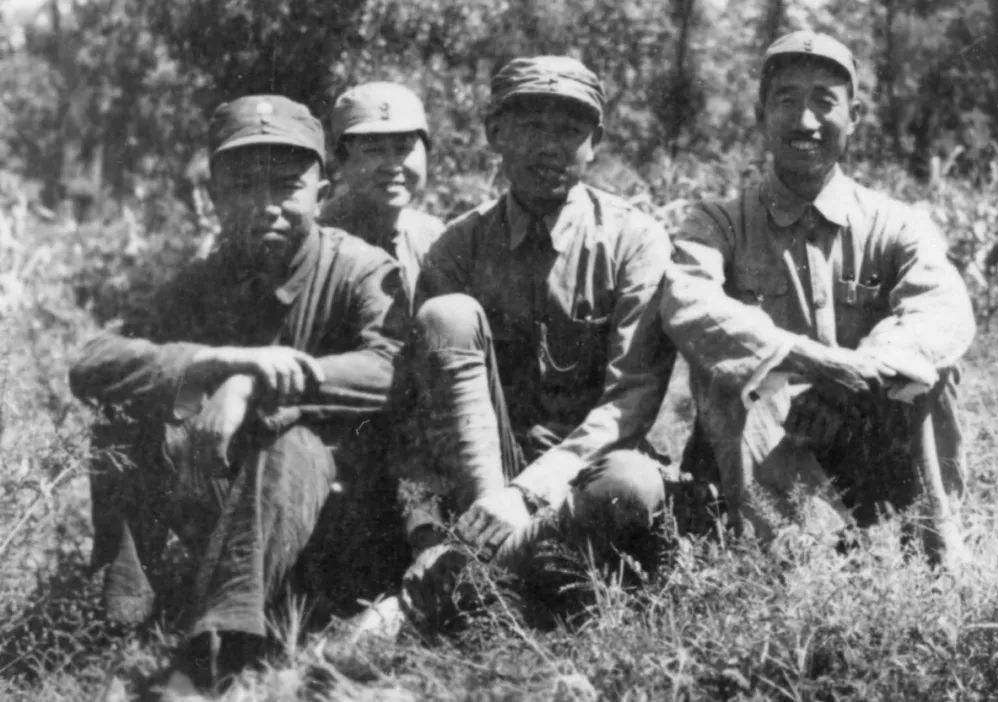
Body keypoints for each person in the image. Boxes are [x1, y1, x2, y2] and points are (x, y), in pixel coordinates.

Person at [69, 95, 410, 694]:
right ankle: (121, 614)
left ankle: (213, 656)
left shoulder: (359, 270)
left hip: (340, 529)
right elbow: (93, 363)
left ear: (322, 192)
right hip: (237, 511)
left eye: (287, 186)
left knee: (291, 442)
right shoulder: (205, 280)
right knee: (126, 410)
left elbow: (391, 368)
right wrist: (215, 363)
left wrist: (256, 386)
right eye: (243, 187)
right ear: (214, 198)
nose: (266, 206)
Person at [661, 31, 975, 568]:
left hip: (864, 442)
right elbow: (689, 304)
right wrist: (808, 360)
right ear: (761, 115)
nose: (805, 121)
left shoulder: (896, 223)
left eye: (825, 102)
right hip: (756, 452)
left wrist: (861, 370)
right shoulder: (717, 222)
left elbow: (942, 308)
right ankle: (791, 563)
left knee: (929, 370)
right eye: (786, 100)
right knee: (741, 374)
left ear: (855, 117)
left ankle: (935, 555)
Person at [381, 55, 674, 626]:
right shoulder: (459, 247)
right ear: (496, 134)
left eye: (569, 131)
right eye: (531, 128)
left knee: (632, 486)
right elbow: (419, 414)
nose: (549, 148)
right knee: (446, 315)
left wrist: (527, 494)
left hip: (582, 474)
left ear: (595, 143)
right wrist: (425, 529)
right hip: (481, 478)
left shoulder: (634, 240)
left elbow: (632, 398)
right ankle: (498, 573)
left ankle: (460, 585)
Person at [321, 82, 443, 307]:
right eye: (374, 150)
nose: (392, 165)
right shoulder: (320, 241)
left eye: (403, 149)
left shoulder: (435, 238)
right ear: (342, 161)